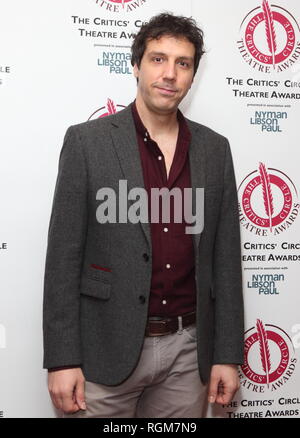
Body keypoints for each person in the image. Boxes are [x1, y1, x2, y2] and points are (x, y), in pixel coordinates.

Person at [43, 12, 244, 418]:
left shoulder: (215, 149)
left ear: (192, 76)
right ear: (135, 65)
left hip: (188, 356)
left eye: (182, 63)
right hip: (105, 351)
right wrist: (63, 359)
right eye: (158, 59)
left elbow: (225, 261)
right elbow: (63, 259)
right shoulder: (87, 142)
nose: (169, 73)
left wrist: (227, 354)